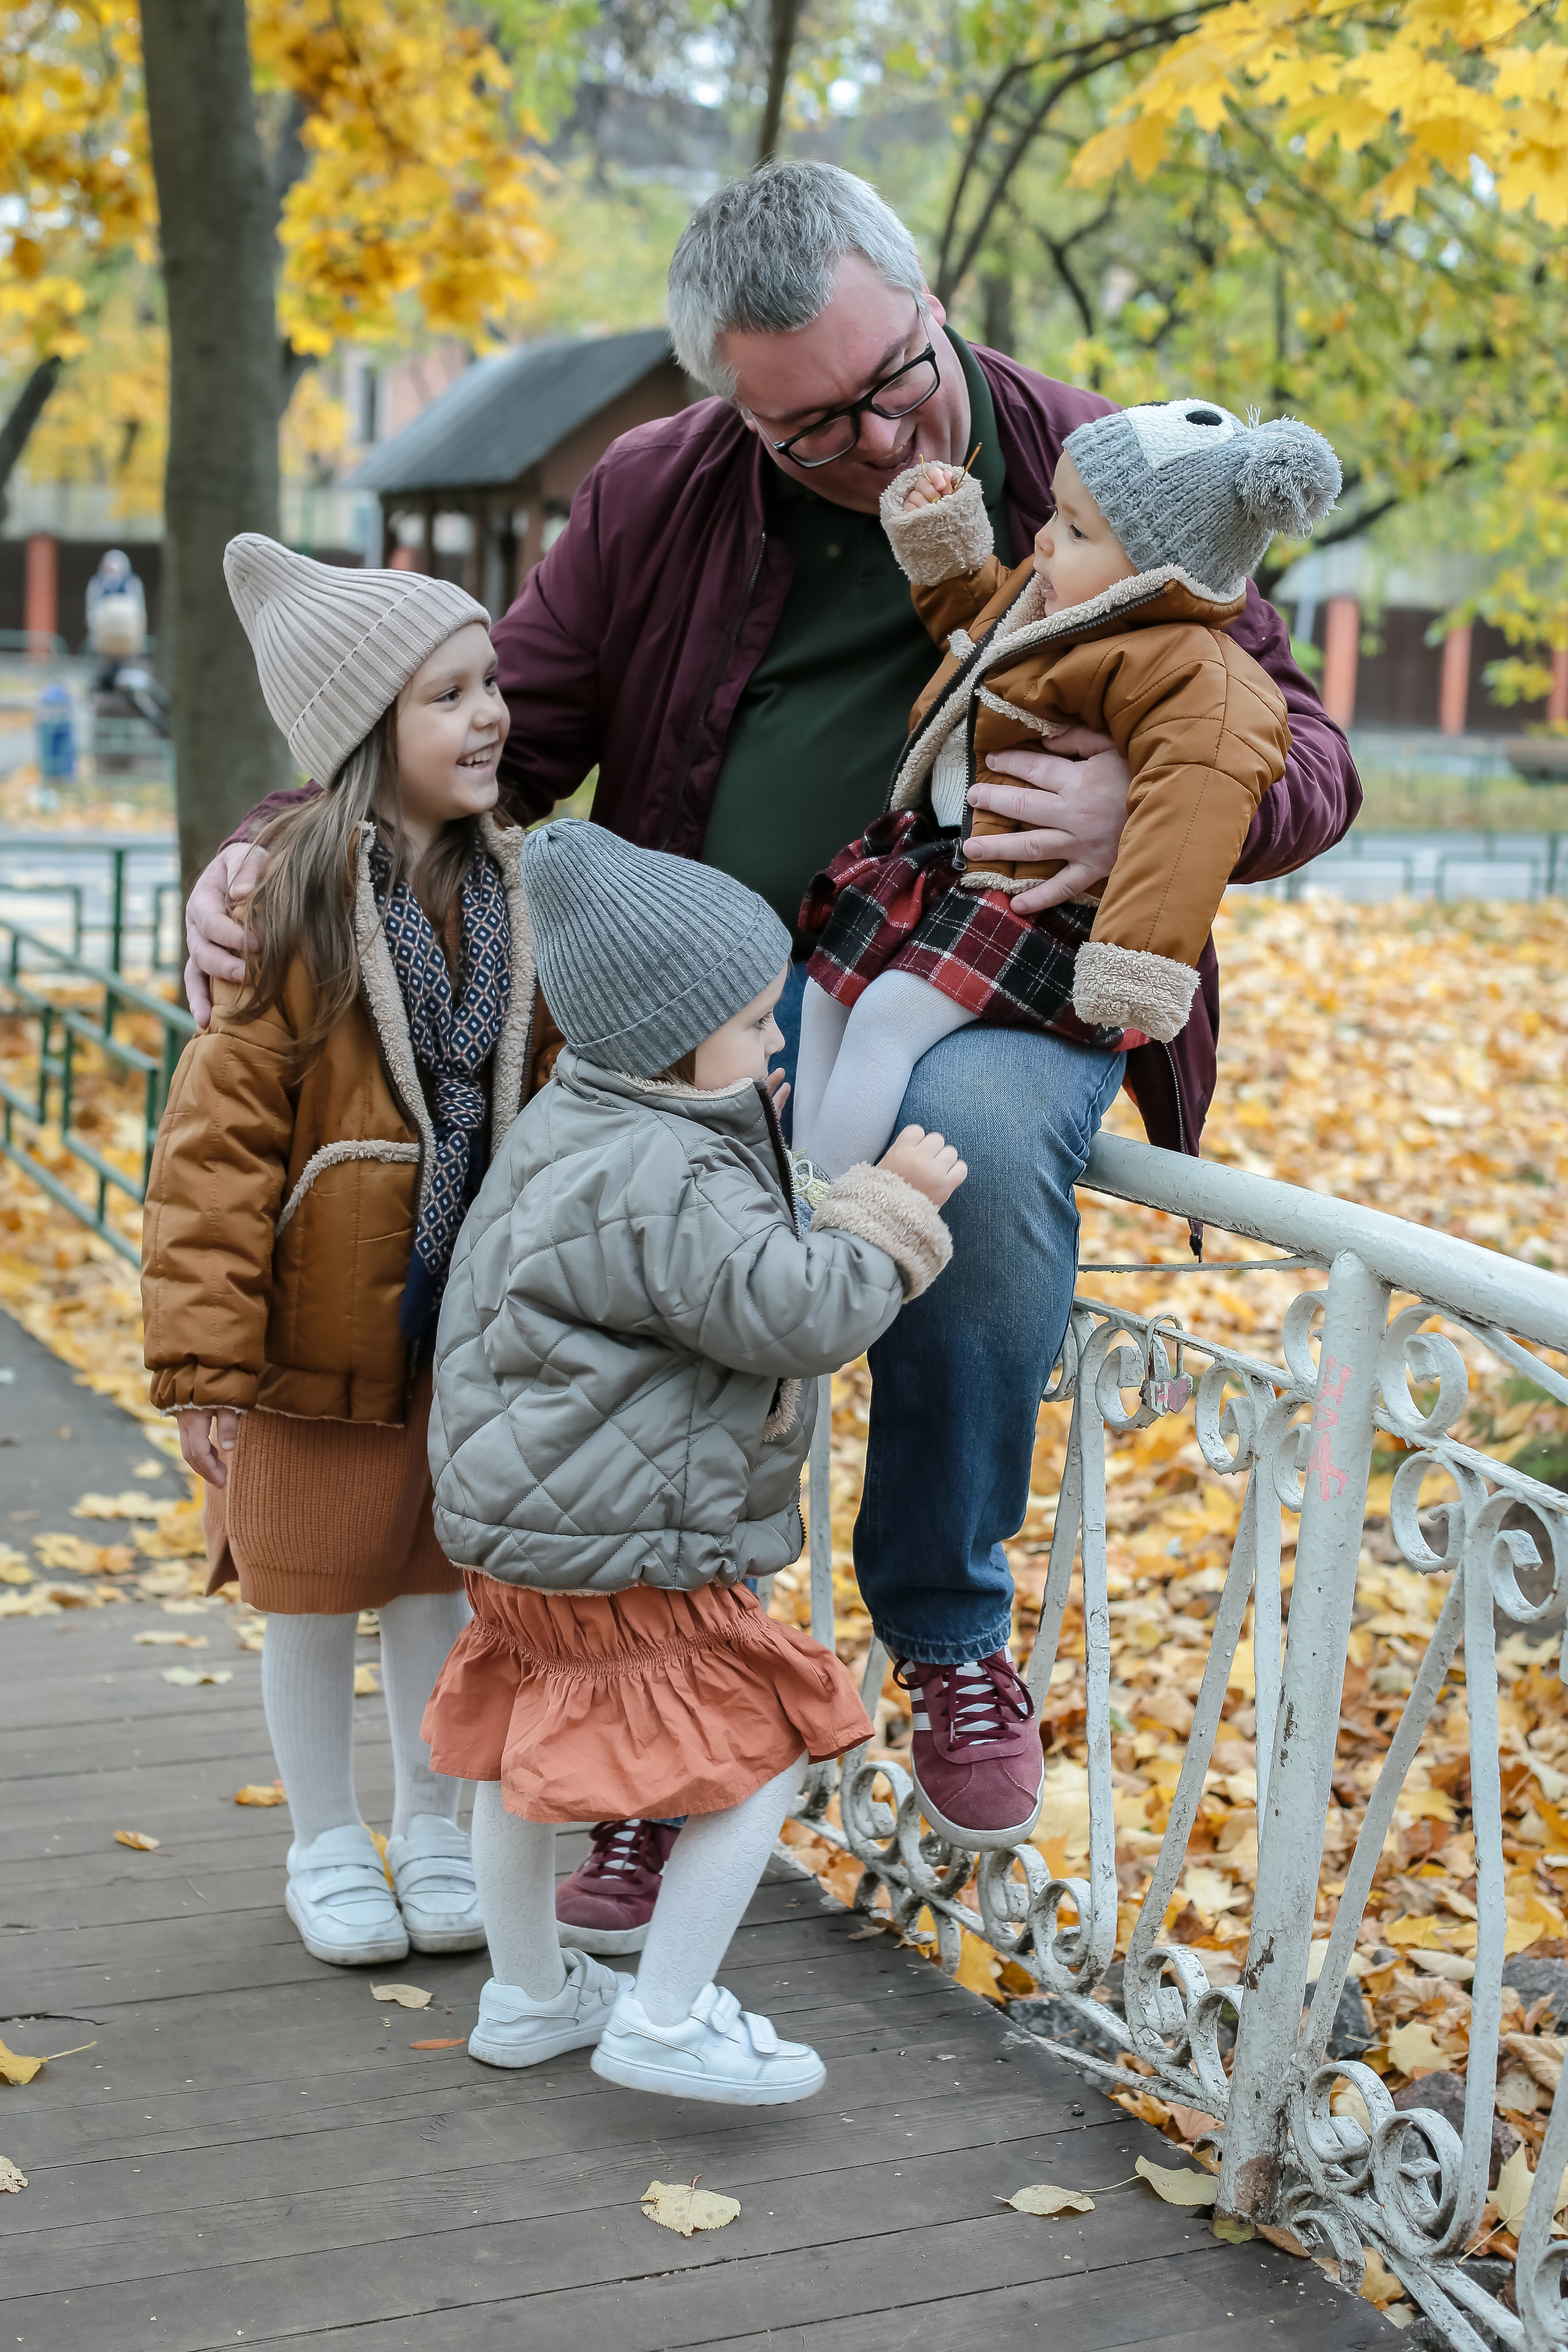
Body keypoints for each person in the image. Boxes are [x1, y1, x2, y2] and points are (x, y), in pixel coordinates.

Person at [179, 161, 1360, 1910]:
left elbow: (1310, 755)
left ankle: (945, 1630)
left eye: (894, 384)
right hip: (709, 1007)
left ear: (930, 303)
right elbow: (504, 726)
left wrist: (1151, 808)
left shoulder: (1103, 466)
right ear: (730, 403)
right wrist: (281, 843)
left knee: (967, 1152)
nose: (876, 444)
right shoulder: (655, 490)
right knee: (647, 1264)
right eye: (809, 427)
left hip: (1004, 974)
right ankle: (644, 1717)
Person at [420, 818, 964, 2098]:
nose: (777, 1041)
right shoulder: (669, 1168)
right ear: (674, 1041)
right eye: (756, 1021)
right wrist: (891, 1207)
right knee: (761, 1752)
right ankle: (662, 2023)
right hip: (630, 1549)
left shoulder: (575, 1119)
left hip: (522, 1536)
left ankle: (528, 1995)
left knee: (515, 1754)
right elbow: (797, 1313)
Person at [141, 537, 539, 1968]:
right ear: (370, 729)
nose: (490, 714)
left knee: (436, 1583)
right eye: (449, 695)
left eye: (489, 682)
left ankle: (432, 1827)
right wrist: (206, 1363)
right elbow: (215, 1151)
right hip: (311, 1333)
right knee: (307, 1592)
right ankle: (322, 1839)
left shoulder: (519, 889)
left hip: (458, 1329)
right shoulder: (290, 905)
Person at [791, 401, 1342, 1174]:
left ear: (1159, 571)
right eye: (1055, 511)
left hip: (1051, 910)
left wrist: (1134, 964)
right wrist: (946, 542)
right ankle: (802, 1176)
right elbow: (978, 634)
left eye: (1077, 530)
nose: (1045, 538)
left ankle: (824, 1213)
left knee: (886, 1015)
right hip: (960, 869)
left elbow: (1193, 811)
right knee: (831, 986)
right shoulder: (1058, 603)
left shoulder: (1195, 675)